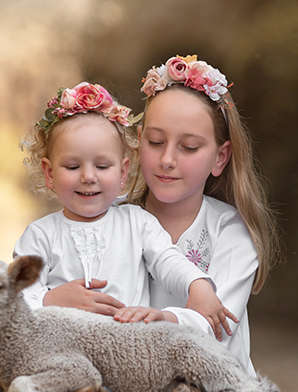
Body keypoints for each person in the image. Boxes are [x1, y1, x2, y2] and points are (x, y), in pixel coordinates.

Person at [15, 82, 236, 339]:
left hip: (127, 352)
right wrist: (50, 300)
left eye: (102, 166)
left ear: (122, 173)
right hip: (65, 352)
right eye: (73, 167)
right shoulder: (40, 234)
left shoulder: (138, 222)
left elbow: (168, 260)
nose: (88, 177)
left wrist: (196, 285)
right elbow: (14, 298)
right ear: (50, 173)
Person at [117, 55, 279, 375]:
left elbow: (213, 331)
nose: (167, 159)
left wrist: (162, 319)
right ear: (138, 143)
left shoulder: (230, 231)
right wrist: (55, 298)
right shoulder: (114, 219)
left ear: (220, 158)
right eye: (156, 141)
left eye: (189, 147)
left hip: (213, 389)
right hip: (135, 384)